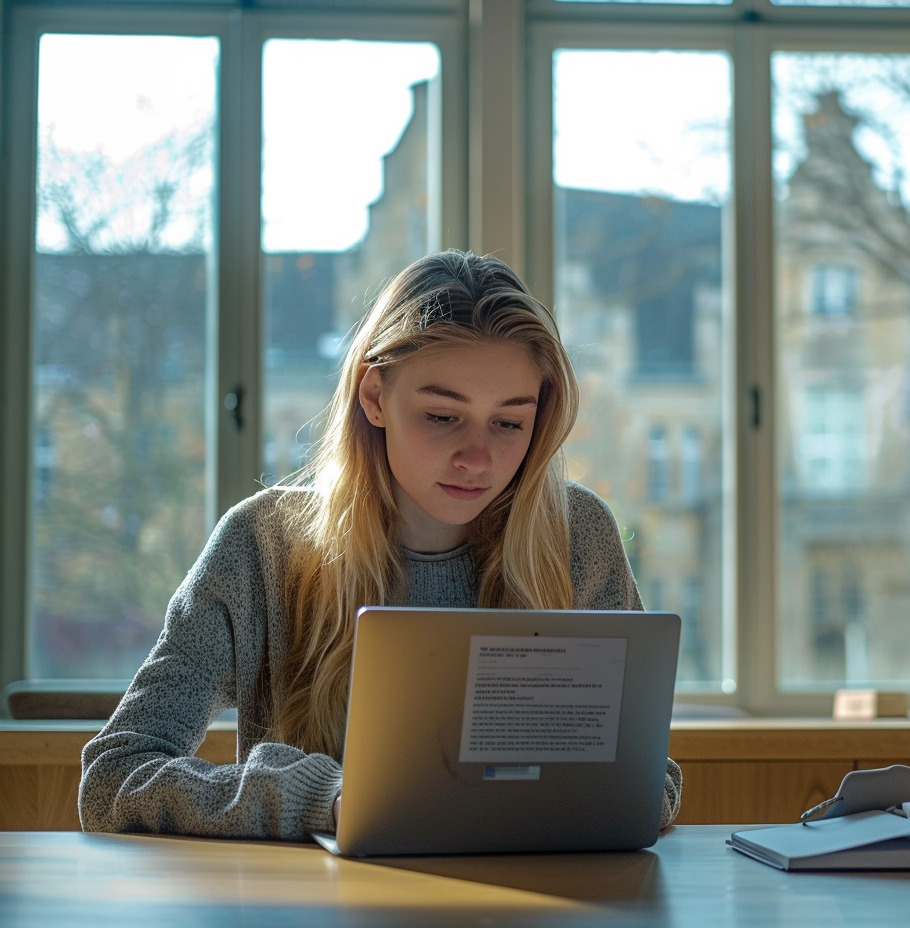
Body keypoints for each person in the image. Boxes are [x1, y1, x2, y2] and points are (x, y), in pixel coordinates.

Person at [79, 249, 682, 839]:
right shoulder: (260, 547)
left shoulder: (578, 537)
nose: (477, 458)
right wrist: (326, 799)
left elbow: (651, 782)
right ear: (374, 398)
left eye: (509, 422)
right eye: (443, 416)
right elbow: (113, 779)